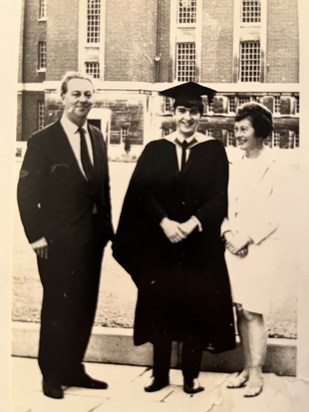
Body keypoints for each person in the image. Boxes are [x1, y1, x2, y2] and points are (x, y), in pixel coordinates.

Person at [113, 82, 236, 394]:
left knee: (194, 308)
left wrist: (193, 222)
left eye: (193, 111)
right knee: (161, 306)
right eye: (182, 110)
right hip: (162, 244)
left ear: (201, 114)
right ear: (173, 112)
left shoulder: (213, 151)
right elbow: (142, 193)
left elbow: (219, 197)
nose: (187, 117)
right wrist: (165, 222)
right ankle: (159, 376)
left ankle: (190, 378)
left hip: (197, 246)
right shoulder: (156, 149)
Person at [17, 72, 114, 399]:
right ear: (62, 98)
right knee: (58, 308)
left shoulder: (98, 137)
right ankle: (52, 374)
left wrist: (107, 232)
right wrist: (36, 237)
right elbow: (26, 193)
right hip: (56, 243)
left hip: (92, 242)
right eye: (76, 94)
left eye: (88, 94)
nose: (83, 100)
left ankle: (74, 367)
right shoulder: (42, 141)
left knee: (85, 306)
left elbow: (103, 189)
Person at [221, 102, 284, 397]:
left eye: (243, 129)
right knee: (240, 309)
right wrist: (228, 234)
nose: (238, 134)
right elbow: (223, 205)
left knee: (254, 310)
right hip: (233, 247)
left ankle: (257, 374)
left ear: (260, 130)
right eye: (235, 129)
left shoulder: (277, 165)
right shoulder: (235, 164)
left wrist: (246, 238)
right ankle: (247, 367)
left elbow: (276, 213)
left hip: (260, 248)